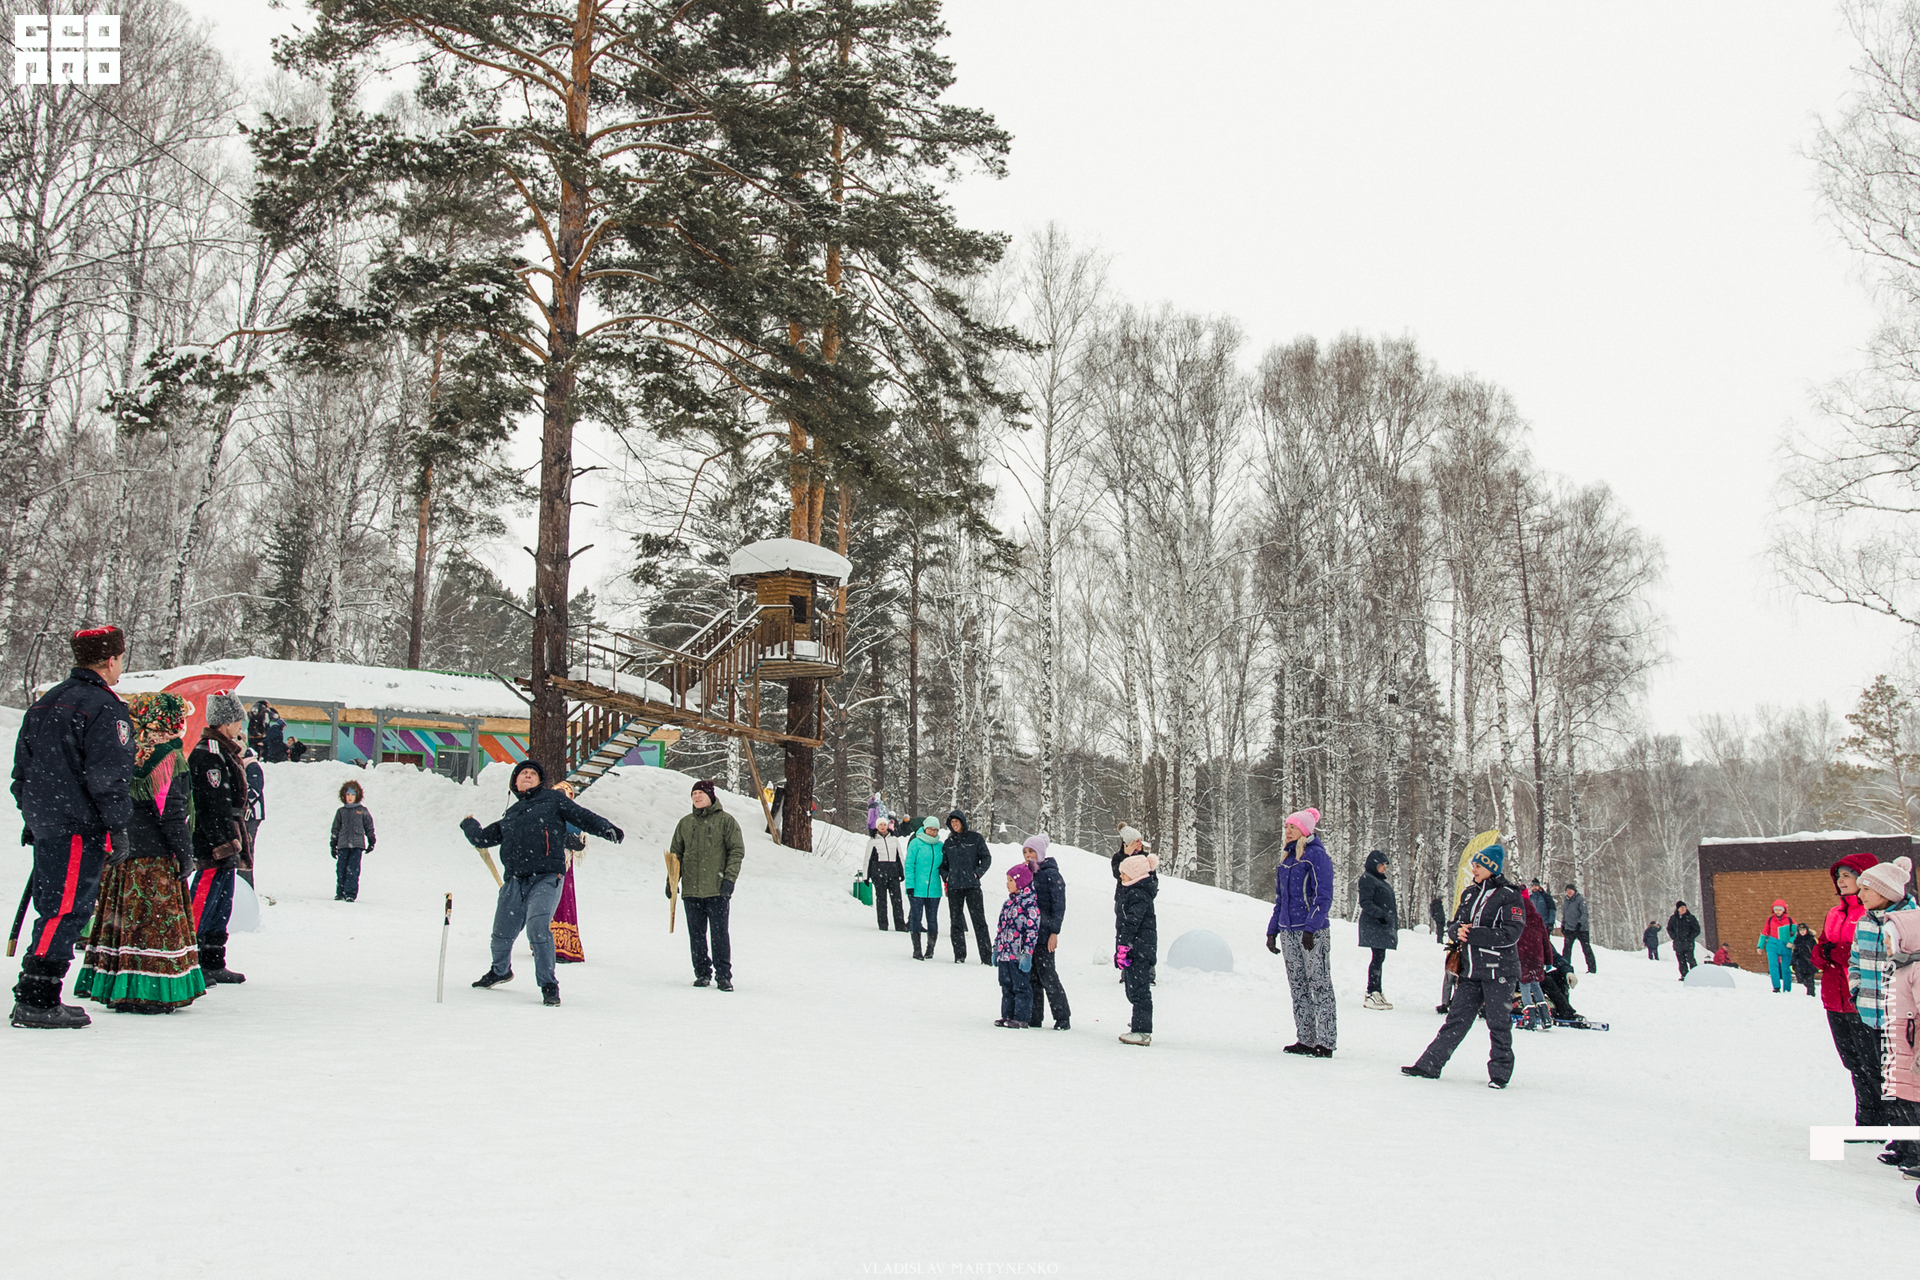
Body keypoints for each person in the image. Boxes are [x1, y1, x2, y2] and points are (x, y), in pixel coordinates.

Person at [8, 625, 134, 1029]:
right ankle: (37, 996)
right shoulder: (103, 706)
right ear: (111, 659)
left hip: (50, 819)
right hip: (79, 822)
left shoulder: (46, 702)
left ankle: (36, 991)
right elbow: (107, 776)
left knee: (54, 907)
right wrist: (117, 826)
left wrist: (35, 814)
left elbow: (22, 771)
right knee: (66, 910)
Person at [71, 690, 206, 1015]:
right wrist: (185, 854)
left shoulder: (125, 752)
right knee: (153, 926)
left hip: (122, 856)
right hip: (155, 861)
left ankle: (118, 984)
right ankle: (152, 990)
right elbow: (172, 815)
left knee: (123, 925)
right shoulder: (171, 757)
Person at [465, 760, 623, 1005]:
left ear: (539, 781)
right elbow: (483, 838)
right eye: (522, 773)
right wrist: (470, 825)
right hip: (515, 880)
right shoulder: (511, 814)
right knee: (501, 935)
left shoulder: (553, 800)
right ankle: (500, 970)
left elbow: (582, 816)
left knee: (538, 928)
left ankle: (548, 984)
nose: (527, 776)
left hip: (547, 877)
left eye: (532, 774)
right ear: (515, 782)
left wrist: (605, 827)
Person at [1404, 841, 1525, 1088]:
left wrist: (1473, 934)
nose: (1475, 869)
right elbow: (1454, 924)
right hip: (1470, 970)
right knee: (1456, 1020)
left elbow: (1511, 933)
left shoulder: (1509, 895)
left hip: (1499, 971)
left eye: (1479, 865)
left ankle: (1500, 1075)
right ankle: (1429, 1065)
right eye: (1474, 865)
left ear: (1493, 868)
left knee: (1498, 1023)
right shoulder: (1469, 893)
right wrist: (1456, 930)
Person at [1849, 857, 1919, 1167]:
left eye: (1865, 889)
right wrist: (1856, 990)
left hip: (1903, 1020)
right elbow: (1855, 962)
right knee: (1884, 1081)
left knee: (1908, 1085)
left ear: (1886, 891)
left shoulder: (1912, 921)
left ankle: (1914, 1147)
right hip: (1871, 1015)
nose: (1860, 895)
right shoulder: (1865, 922)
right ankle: (1900, 1142)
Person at [1818, 853, 1892, 1129]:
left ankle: (1892, 1123)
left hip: (1862, 1000)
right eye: (1839, 876)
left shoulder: (1870, 913)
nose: (1841, 881)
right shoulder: (1834, 913)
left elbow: (1858, 953)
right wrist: (1827, 952)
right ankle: (1868, 1119)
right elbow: (1818, 951)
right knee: (1853, 1064)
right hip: (1833, 999)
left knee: (1874, 1065)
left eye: (1847, 875)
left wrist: (1832, 952)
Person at [189, 692, 254, 987]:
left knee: (222, 903)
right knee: (202, 902)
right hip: (213, 841)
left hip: (229, 835)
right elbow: (210, 803)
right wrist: (221, 843)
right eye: (237, 718)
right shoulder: (210, 753)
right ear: (225, 721)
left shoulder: (226, 751)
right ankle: (190, 960)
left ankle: (213, 959)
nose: (241, 724)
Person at [1265, 807, 1336, 1057]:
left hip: (1311, 932)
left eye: (1292, 827)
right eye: (1286, 826)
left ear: (1304, 830)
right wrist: (1272, 931)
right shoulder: (1286, 860)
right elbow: (1280, 899)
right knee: (1298, 985)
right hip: (1288, 930)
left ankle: (1326, 1041)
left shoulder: (1316, 856)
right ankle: (1305, 1037)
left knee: (1319, 983)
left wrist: (1312, 926)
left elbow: (1323, 895)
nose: (1287, 830)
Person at [665, 779, 743, 990]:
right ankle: (701, 972)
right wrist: (671, 881)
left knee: (719, 934)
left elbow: (736, 851)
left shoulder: (726, 821)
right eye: (693, 794)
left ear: (711, 796)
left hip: (717, 888)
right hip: (691, 890)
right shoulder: (685, 823)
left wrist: (729, 879)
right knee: (696, 935)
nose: (697, 797)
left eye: (700, 793)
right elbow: (675, 854)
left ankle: (723, 975)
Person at [1025, 834, 1071, 1028]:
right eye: (1025, 852)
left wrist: (1054, 932)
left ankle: (1062, 1016)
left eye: (1031, 851)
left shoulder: (1051, 874)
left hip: (1045, 934)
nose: (1028, 856)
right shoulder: (1026, 873)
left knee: (1048, 975)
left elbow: (1058, 904)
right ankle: (1035, 1015)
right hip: (1029, 935)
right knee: (1031, 975)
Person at [1115, 851, 1159, 1046]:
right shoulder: (1131, 892)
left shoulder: (1139, 895)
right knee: (1132, 989)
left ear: (1134, 875)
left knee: (1139, 990)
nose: (1120, 876)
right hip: (1135, 948)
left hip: (1140, 949)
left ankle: (1142, 1030)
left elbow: (1132, 923)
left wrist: (1124, 944)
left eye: (1123, 873)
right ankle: (1138, 1020)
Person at [941, 810, 993, 963]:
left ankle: (986, 956)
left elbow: (986, 858)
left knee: (979, 922)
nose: (954, 824)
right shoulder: (948, 843)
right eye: (952, 822)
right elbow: (942, 866)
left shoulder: (975, 838)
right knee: (956, 922)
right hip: (954, 888)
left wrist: (977, 873)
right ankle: (959, 956)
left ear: (963, 822)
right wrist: (946, 877)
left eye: (957, 821)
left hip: (972, 886)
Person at [992, 862, 1040, 1028]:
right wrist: (996, 949)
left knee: (1021, 987)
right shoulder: (1008, 904)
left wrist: (1027, 953)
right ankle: (1007, 1015)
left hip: (1018, 954)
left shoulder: (1029, 905)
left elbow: (1032, 931)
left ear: (1020, 882)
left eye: (1011, 880)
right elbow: (1001, 928)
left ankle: (1021, 1017)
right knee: (1006, 986)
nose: (1007, 884)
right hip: (1005, 953)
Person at [550, 781, 588, 964]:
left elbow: (580, 841)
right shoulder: (545, 814)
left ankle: (564, 946)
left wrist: (573, 841)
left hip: (564, 865)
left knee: (563, 901)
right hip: (547, 865)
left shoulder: (573, 816)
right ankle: (547, 943)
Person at [1357, 849, 1398, 1010]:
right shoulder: (1368, 879)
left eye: (1386, 865)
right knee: (1377, 958)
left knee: (1380, 958)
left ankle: (1377, 990)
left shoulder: (1379, 880)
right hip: (1374, 925)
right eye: (1382, 864)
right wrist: (1381, 915)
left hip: (1381, 926)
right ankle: (1372, 990)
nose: (1385, 868)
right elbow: (1366, 902)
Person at [903, 814, 945, 961]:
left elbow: (944, 867)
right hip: (917, 888)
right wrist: (910, 885)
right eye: (930, 829)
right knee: (916, 918)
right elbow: (909, 865)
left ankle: (930, 949)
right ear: (924, 828)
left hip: (934, 889)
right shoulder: (916, 843)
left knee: (932, 919)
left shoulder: (940, 846)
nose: (932, 832)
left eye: (935, 830)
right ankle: (917, 949)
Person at [329, 780, 375, 902]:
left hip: (357, 845)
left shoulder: (362, 811)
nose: (350, 797)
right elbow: (335, 829)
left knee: (353, 870)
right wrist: (333, 844)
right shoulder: (341, 812)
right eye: (348, 795)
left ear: (357, 796)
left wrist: (371, 840)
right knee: (341, 869)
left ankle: (350, 893)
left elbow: (369, 827)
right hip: (343, 845)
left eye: (352, 795)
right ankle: (340, 892)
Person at [1516, 894, 1553, 1031]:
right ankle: (1545, 1016)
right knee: (1535, 984)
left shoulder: (1516, 917)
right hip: (1537, 957)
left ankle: (1529, 1018)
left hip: (1522, 956)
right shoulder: (1537, 917)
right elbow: (1545, 940)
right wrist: (1548, 960)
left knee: (1524, 984)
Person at [865, 814, 907, 932]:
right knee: (881, 900)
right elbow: (867, 859)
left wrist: (902, 872)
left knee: (897, 900)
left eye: (884, 824)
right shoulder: (872, 841)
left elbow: (900, 857)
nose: (883, 827)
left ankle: (900, 924)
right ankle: (883, 924)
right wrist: (866, 876)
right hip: (879, 874)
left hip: (893, 873)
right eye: (880, 825)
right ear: (877, 827)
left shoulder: (894, 840)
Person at [1757, 899, 1798, 993]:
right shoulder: (1770, 919)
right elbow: (1764, 933)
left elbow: (1796, 932)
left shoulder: (1790, 920)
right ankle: (1776, 987)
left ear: (1784, 910)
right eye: (1776, 909)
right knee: (1773, 966)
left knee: (1786, 968)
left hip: (1786, 945)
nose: (1778, 911)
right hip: (1772, 944)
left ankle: (1787, 989)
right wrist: (1760, 946)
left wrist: (1791, 941)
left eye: (1780, 909)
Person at [1560, 884, 1595, 973]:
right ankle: (1565, 968)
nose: (1569, 892)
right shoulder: (1566, 901)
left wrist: (1580, 923)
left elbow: (1584, 913)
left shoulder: (1580, 900)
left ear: (1574, 891)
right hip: (1569, 929)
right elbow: (1565, 914)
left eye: (1570, 890)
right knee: (1567, 949)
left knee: (1586, 948)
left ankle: (1592, 968)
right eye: (1567, 890)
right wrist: (1563, 925)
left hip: (1581, 929)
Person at [243, 748, 265, 886]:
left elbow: (255, 790)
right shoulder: (250, 767)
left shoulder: (252, 767)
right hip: (249, 814)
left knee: (247, 847)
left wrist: (242, 799)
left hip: (251, 814)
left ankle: (246, 882)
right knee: (246, 847)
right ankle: (244, 881)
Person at [1667, 900, 1701, 979]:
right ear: (1678, 909)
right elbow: (1669, 929)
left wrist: (1690, 937)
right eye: (1681, 907)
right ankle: (1684, 975)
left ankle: (1695, 974)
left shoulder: (1691, 918)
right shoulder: (1673, 918)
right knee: (1681, 961)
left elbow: (1697, 930)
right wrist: (1674, 937)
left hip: (1688, 944)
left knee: (1690, 959)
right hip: (1678, 944)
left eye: (1684, 907)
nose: (1683, 909)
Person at [1792, 923, 1819, 998]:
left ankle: (1811, 994)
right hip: (1800, 963)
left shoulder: (1811, 939)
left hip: (1809, 963)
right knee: (1801, 979)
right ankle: (1809, 992)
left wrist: (1815, 962)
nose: (1802, 931)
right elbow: (1795, 951)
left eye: (1804, 930)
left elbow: (1815, 951)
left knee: (1810, 980)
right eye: (1801, 930)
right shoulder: (1797, 940)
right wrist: (1793, 961)